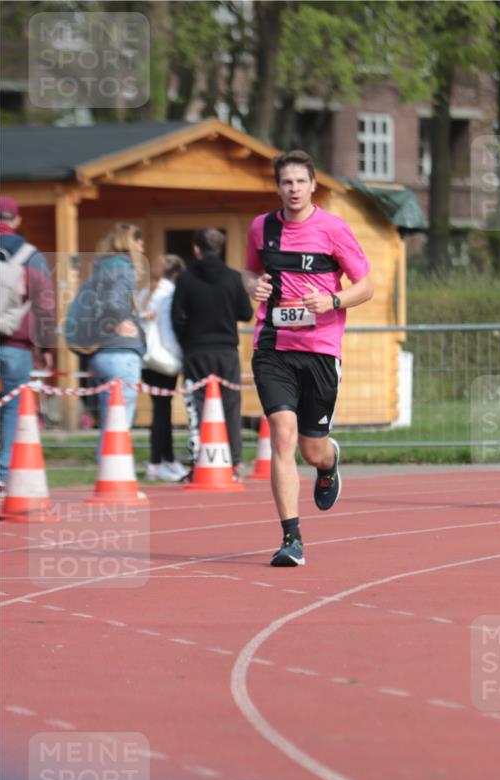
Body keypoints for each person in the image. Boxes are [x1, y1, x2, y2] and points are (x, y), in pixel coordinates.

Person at [243, 149, 374, 566]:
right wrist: (254, 286)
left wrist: (332, 299)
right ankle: (291, 539)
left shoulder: (333, 229)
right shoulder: (261, 227)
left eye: (300, 181)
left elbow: (366, 286)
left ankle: (328, 461)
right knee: (281, 435)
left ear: (313, 184)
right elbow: (249, 271)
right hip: (272, 346)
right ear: (277, 187)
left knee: (309, 449)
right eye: (286, 182)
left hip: (319, 349)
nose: (293, 189)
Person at [171, 228, 252, 480]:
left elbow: (176, 317)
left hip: (196, 351)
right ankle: (233, 464)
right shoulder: (233, 277)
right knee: (230, 407)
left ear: (196, 249)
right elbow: (246, 313)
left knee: (198, 407)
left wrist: (186, 341)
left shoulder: (185, 279)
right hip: (226, 350)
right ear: (221, 248)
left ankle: (200, 464)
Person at [0, 195, 55, 491]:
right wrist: (45, 349)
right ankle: (3, 473)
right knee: (13, 407)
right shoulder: (31, 255)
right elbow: (45, 304)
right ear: (17, 220)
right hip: (15, 345)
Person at [87, 223, 147, 451]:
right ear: (130, 243)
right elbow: (114, 302)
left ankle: (107, 471)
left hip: (101, 352)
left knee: (109, 421)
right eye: (139, 241)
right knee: (121, 423)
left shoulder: (100, 267)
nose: (142, 246)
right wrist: (120, 320)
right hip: (121, 353)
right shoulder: (123, 268)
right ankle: (117, 477)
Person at [141, 254, 188, 482]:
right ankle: (161, 461)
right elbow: (168, 333)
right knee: (163, 411)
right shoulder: (168, 294)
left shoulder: (146, 292)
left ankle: (159, 460)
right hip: (164, 360)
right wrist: (181, 358)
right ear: (177, 274)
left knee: (159, 410)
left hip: (147, 360)